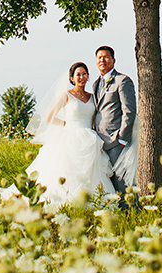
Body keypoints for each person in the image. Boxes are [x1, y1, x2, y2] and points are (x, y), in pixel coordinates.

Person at [26, 61, 117, 206]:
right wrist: (66, 123)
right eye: (78, 75)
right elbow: (49, 117)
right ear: (72, 78)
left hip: (90, 139)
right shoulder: (66, 95)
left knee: (91, 174)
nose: (81, 77)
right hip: (70, 137)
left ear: (88, 76)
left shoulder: (93, 96)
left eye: (84, 74)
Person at [92, 45, 138, 192]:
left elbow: (129, 111)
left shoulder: (122, 81)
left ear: (113, 59)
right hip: (99, 142)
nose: (102, 60)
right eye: (99, 58)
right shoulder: (95, 83)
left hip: (116, 141)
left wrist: (122, 139)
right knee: (107, 183)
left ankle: (131, 212)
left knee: (122, 182)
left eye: (106, 57)